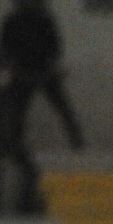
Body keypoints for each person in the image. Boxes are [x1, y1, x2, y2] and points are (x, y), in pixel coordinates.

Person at [0, 0, 84, 152]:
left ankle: (76, 138)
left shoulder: (40, 19)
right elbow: (6, 47)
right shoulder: (18, 20)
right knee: (18, 111)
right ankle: (13, 143)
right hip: (27, 72)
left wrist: (49, 63)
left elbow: (54, 46)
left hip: (39, 71)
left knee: (60, 107)